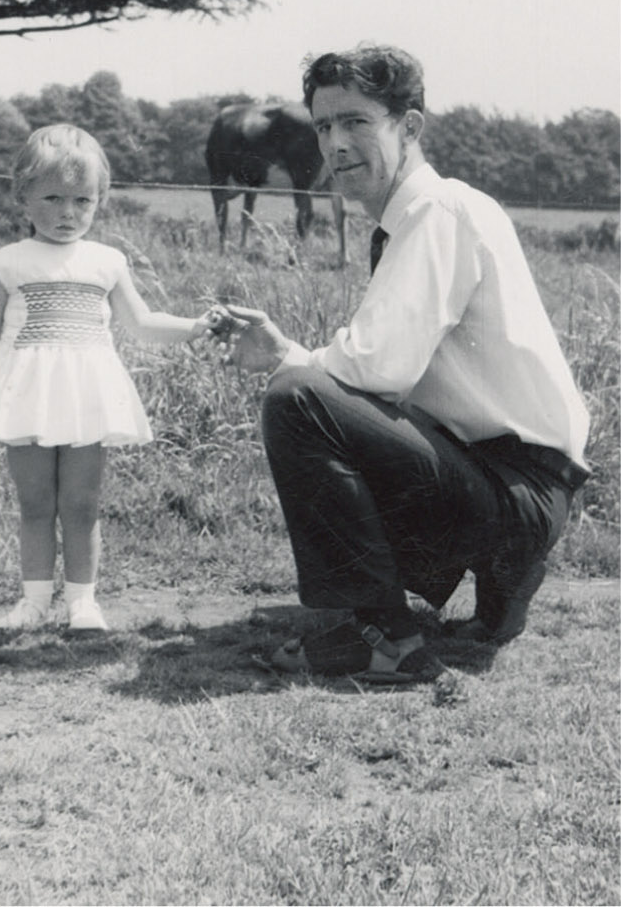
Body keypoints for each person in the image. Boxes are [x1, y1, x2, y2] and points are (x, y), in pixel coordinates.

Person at [222, 45, 590, 684]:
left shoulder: (434, 212)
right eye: (324, 126)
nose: (335, 144)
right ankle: (503, 582)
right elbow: (392, 376)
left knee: (296, 399)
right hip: (526, 478)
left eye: (356, 122)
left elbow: (376, 371)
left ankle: (385, 639)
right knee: (320, 396)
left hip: (513, 486)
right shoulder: (435, 210)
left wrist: (286, 359)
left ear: (410, 127)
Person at [0, 124, 220, 632]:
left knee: (81, 503)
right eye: (52, 198)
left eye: (83, 200)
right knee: (35, 503)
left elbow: (141, 323)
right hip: (25, 398)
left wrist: (195, 327)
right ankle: (32, 603)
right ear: (23, 195)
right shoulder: (6, 263)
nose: (67, 213)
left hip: (85, 399)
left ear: (100, 200)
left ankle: (82, 603)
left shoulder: (106, 262)